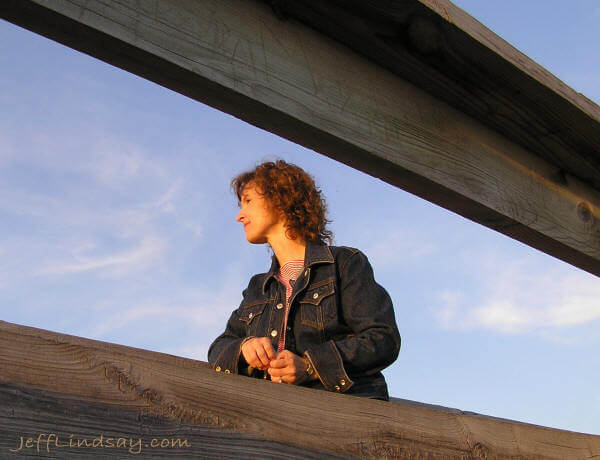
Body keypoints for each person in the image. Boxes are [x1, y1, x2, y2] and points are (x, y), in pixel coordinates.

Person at [208, 160, 400, 400]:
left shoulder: (344, 263)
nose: (239, 216)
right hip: (272, 417)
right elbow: (218, 348)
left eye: (248, 201)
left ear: (280, 198)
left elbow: (382, 338)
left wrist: (310, 366)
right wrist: (244, 348)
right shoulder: (258, 287)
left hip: (344, 415)